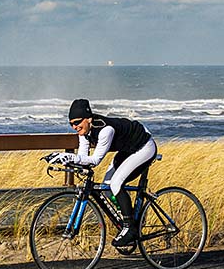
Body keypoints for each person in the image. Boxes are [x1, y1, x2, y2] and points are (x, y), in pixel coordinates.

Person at [50, 98, 157, 247]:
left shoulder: (106, 130)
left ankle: (130, 228)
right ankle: (127, 216)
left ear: (89, 119)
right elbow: (83, 157)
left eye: (77, 122)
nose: (74, 127)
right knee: (107, 187)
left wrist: (68, 156)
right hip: (128, 149)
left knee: (116, 183)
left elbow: (94, 160)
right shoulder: (84, 132)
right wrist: (65, 160)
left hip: (144, 147)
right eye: (71, 124)